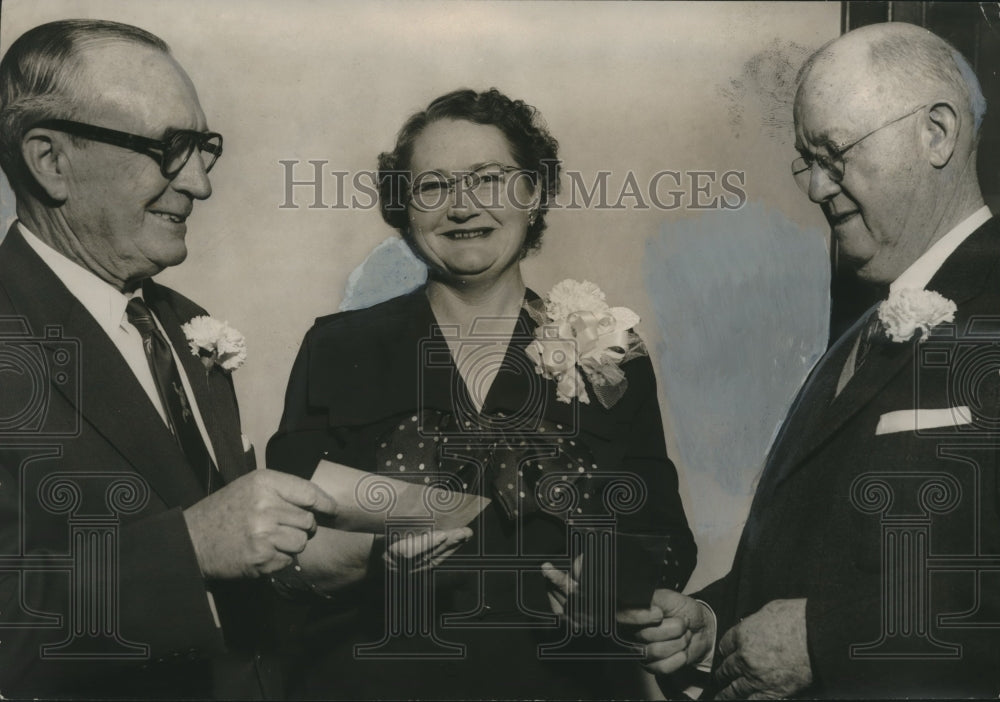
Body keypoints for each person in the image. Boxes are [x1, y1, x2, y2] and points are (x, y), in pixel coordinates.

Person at [266, 87, 697, 699]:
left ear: (535, 192)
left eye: (489, 180)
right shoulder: (336, 349)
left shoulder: (612, 351)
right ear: (404, 207)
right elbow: (283, 547)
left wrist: (609, 587)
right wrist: (373, 557)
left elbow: (664, 537)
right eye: (433, 186)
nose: (463, 208)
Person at [624, 22, 1000, 699]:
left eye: (835, 153)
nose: (817, 187)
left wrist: (831, 641)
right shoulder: (857, 334)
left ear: (937, 133)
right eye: (807, 160)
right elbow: (819, 554)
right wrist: (715, 621)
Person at [0, 19, 344, 698]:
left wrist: (325, 562)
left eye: (203, 148)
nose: (200, 184)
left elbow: (230, 559)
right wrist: (188, 551)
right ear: (50, 161)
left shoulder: (183, 323)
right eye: (169, 148)